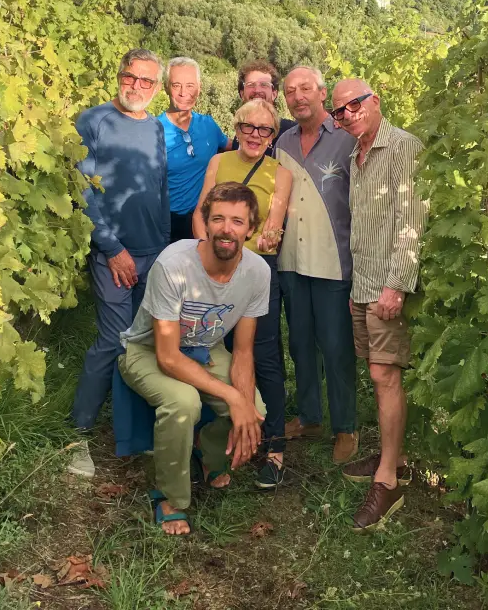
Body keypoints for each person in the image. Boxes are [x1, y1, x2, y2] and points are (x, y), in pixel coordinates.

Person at [119, 182, 271, 535]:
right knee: (184, 402)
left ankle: (209, 451)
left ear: (251, 229)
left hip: (205, 348)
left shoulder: (258, 272)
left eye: (237, 221)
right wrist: (231, 395)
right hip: (147, 350)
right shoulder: (174, 264)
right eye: (217, 218)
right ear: (204, 223)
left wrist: (244, 402)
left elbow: (244, 351)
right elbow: (168, 356)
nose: (226, 229)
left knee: (256, 408)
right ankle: (170, 495)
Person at [331, 78, 427, 531]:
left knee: (384, 374)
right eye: (339, 111)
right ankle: (395, 454)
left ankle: (389, 480)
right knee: (376, 371)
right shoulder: (356, 155)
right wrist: (360, 285)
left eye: (354, 105)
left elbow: (411, 223)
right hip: (363, 283)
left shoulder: (403, 147)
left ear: (376, 102)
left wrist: (397, 286)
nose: (347, 114)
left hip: (387, 285)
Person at [70, 48, 170, 477]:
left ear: (156, 88)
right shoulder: (92, 121)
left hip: (153, 253)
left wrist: (164, 245)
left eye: (147, 81)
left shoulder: (155, 128)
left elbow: (160, 188)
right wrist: (111, 249)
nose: (137, 87)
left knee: (144, 345)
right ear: (119, 76)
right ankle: (79, 433)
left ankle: (132, 434)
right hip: (114, 254)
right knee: (113, 341)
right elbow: (82, 192)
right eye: (131, 77)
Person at [193, 99, 293, 489]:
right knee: (213, 352)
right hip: (213, 268)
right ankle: (217, 445)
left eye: (264, 130)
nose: (255, 135)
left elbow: (272, 229)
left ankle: (274, 447)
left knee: (264, 356)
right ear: (236, 128)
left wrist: (260, 239)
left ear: (272, 137)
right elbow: (202, 214)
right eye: (248, 127)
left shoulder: (280, 174)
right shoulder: (219, 163)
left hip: (254, 273)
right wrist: (204, 258)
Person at [274, 65, 359, 464]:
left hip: (333, 262)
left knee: (337, 348)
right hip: (292, 261)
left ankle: (346, 427)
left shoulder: (346, 140)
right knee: (302, 345)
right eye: (290, 91)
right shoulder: (283, 141)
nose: (298, 97)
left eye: (305, 88)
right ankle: (310, 418)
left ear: (322, 93)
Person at [159, 57, 229, 243]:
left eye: (190, 85)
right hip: (167, 224)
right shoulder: (154, 130)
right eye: (176, 85)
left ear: (199, 88)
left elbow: (235, 149)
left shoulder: (208, 125)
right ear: (166, 87)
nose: (184, 92)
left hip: (205, 220)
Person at [234, 60, 296, 157]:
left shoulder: (291, 132)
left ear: (274, 94)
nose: (257, 90)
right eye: (251, 85)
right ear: (242, 94)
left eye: (264, 85)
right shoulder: (241, 132)